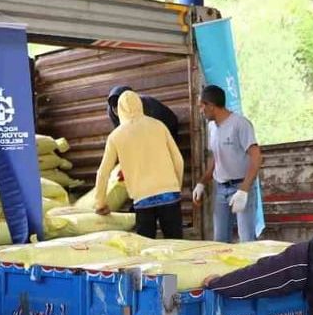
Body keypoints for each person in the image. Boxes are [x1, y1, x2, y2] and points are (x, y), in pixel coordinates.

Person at [93, 90, 184, 238]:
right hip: (170, 194)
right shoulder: (158, 125)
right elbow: (178, 160)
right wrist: (175, 187)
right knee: (177, 244)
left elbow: (103, 173)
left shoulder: (115, 136)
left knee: (146, 249)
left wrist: (100, 203)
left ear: (119, 110)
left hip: (143, 200)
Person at [192, 86, 262, 243]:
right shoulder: (212, 127)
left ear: (211, 105)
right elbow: (216, 159)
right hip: (221, 189)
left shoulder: (240, 124)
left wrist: (244, 190)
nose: (201, 111)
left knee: (247, 240)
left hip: (242, 186)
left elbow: (256, 157)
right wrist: (202, 183)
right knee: (220, 241)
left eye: (202, 106)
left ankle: (254, 268)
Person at [106, 85, 179, 142]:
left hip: (168, 126)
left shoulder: (147, 106)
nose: (118, 110)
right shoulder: (111, 111)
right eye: (116, 108)